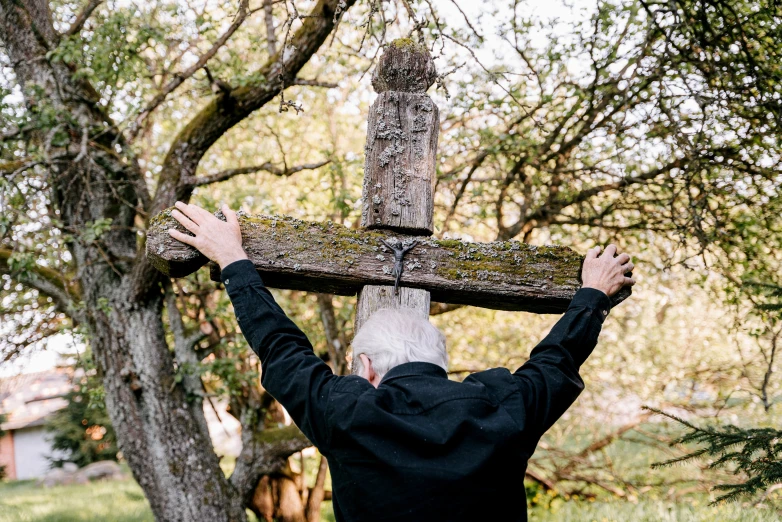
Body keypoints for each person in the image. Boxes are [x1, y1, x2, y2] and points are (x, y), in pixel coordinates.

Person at [168, 201, 636, 522]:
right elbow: (556, 360)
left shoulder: (348, 415)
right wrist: (592, 292)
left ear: (366, 366)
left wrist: (232, 257)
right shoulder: (504, 409)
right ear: (440, 360)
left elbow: (281, 348)